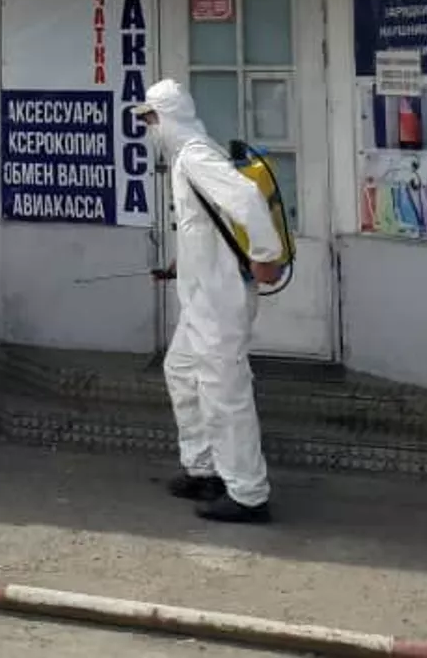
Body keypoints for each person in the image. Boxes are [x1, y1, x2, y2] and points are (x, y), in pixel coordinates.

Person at [132, 79, 285, 524]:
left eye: (150, 119)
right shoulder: (189, 156)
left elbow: (246, 198)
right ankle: (204, 470)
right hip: (202, 297)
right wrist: (180, 264)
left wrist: (265, 255)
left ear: (166, 118)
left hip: (220, 299)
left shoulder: (196, 156)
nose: (148, 128)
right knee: (181, 371)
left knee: (224, 391)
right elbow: (205, 225)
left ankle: (248, 494)